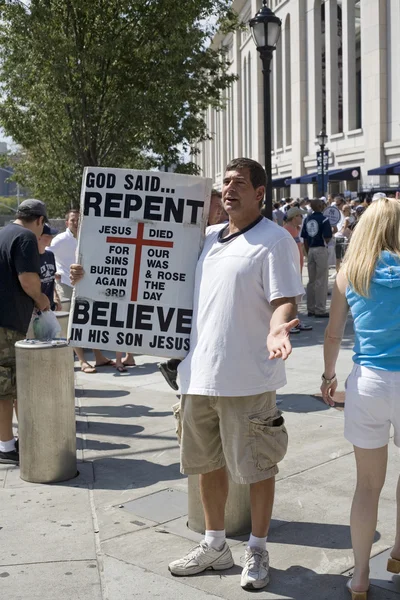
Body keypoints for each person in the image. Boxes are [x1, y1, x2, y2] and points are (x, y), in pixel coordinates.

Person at [168, 158, 304, 590]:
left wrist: (278, 326)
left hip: (248, 377)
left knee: (259, 467)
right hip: (197, 376)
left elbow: (285, 300)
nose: (229, 189)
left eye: (240, 183)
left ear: (260, 192)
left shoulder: (274, 240)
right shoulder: (205, 239)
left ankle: (258, 549)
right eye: (225, 182)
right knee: (208, 466)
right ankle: (214, 545)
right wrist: (86, 276)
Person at [321, 197, 400, 600]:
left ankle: (360, 578)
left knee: (367, 485)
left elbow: (333, 334)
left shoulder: (349, 273)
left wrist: (329, 376)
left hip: (367, 381)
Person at [157, 189, 228, 391]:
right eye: (216, 207)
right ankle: (175, 367)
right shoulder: (191, 235)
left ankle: (174, 366)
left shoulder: (219, 234)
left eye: (220, 208)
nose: (219, 212)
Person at [0, 199, 51, 464]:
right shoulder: (26, 238)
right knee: (7, 388)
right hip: (7, 325)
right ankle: (8, 447)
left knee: (5, 387)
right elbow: (29, 280)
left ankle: (8, 443)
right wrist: (43, 301)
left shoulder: (3, 233)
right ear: (40, 220)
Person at [51, 209, 115, 373]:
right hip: (66, 285)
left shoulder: (88, 237)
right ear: (67, 222)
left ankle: (99, 357)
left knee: (89, 321)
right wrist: (56, 272)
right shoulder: (60, 240)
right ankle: (82, 361)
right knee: (72, 324)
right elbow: (45, 255)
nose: (76, 222)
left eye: (79, 219)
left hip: (86, 285)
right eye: (73, 220)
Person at [301, 199, 332, 318]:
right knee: (321, 280)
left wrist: (308, 250)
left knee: (311, 281)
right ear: (320, 206)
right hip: (320, 248)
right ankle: (320, 309)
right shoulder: (324, 219)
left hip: (310, 249)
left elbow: (304, 238)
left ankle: (311, 308)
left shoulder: (307, 219)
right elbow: (327, 236)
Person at [284, 207, 312, 334]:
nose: (302, 218)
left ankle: (295, 320)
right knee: (291, 296)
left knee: (296, 296)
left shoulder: (295, 229)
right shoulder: (286, 230)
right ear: (294, 217)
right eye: (300, 216)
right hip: (291, 268)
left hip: (297, 267)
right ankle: (290, 322)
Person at [38, 223, 62, 311]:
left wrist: (56, 297)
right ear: (38, 237)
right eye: (48, 235)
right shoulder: (32, 257)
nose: (51, 238)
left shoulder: (50, 255)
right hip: (36, 307)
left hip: (49, 305)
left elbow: (51, 279)